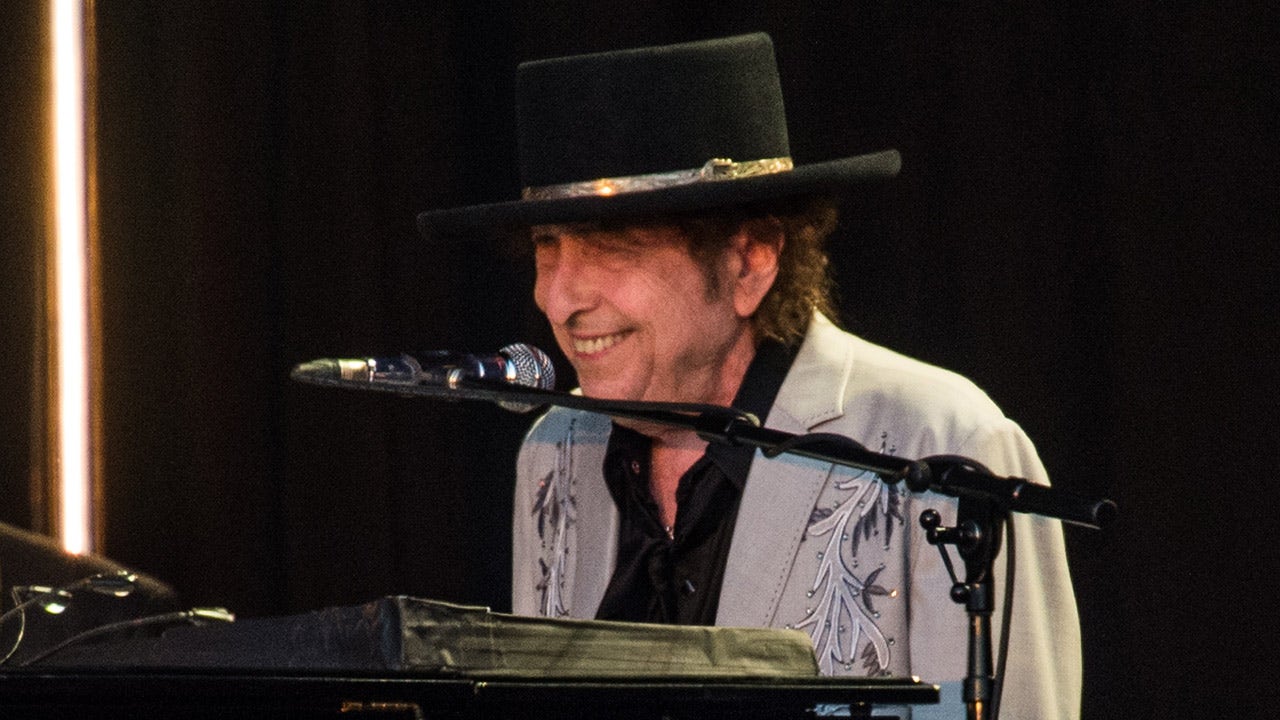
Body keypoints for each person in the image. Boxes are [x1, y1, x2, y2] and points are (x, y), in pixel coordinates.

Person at [419, 32, 1081, 720]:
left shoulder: (944, 444)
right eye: (547, 247)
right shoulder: (555, 448)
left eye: (612, 247)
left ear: (750, 260)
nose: (557, 298)